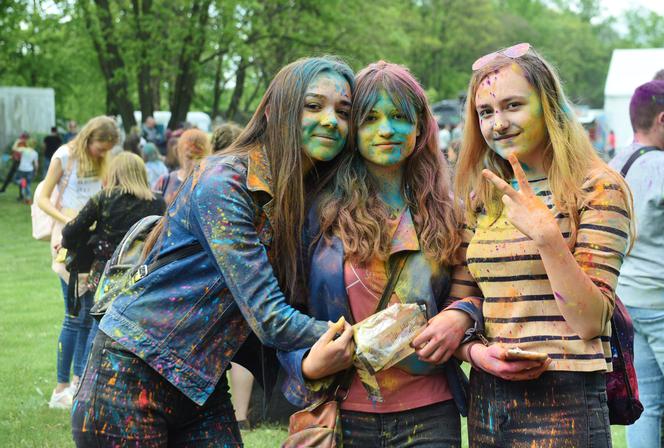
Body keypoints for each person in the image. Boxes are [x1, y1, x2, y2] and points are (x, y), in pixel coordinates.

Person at [71, 56, 356, 446]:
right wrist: (361, 336)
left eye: (343, 112)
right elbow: (269, 315)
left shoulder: (303, 199)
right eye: (313, 106)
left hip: (200, 383)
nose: (330, 121)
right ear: (274, 112)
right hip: (130, 371)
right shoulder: (226, 181)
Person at [280, 61, 479, 447]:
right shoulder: (318, 215)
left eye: (399, 117)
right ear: (353, 130)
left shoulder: (451, 211)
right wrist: (303, 365)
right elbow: (284, 311)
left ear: (420, 125)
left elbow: (476, 292)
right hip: (343, 412)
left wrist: (461, 316)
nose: (386, 130)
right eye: (370, 118)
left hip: (430, 414)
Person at [453, 43, 633, 447]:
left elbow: (591, 321)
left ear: (549, 106)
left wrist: (548, 239)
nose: (498, 124)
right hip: (489, 398)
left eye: (512, 105)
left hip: (566, 400)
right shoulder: (483, 195)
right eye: (485, 112)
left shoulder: (596, 188)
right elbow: (464, 299)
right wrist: (476, 355)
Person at [37, 116, 119, 409]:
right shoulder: (64, 156)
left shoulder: (105, 159)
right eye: (100, 147)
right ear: (89, 138)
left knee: (88, 314)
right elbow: (43, 198)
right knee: (74, 314)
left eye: (107, 149)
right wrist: (67, 220)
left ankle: (78, 381)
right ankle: (60, 388)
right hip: (68, 239)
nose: (102, 153)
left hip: (94, 240)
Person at [61, 152, 166, 355]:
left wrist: (91, 234)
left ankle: (88, 380)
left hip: (105, 274)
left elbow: (70, 231)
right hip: (142, 274)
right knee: (135, 331)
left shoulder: (104, 198)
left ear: (115, 173)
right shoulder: (157, 202)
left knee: (98, 328)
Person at [609, 79, 664, 448]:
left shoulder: (613, 165)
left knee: (647, 406)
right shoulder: (661, 168)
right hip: (660, 300)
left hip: (626, 301)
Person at [152, 128, 211, 204]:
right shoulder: (164, 181)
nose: (194, 162)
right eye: (189, 157)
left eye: (198, 157)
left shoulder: (211, 185)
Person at [15, 139, 39, 203]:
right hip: (29, 170)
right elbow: (36, 164)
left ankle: (22, 196)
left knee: (16, 180)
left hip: (22, 169)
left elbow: (15, 148)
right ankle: (28, 198)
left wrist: (17, 142)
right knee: (28, 184)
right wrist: (36, 171)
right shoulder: (35, 153)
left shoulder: (24, 150)